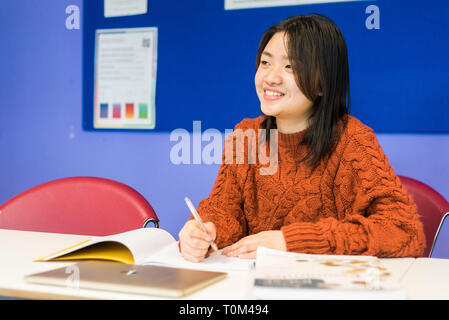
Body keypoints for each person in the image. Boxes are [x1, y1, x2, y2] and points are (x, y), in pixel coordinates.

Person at [178, 14, 426, 262]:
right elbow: (225, 210)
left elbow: (404, 231)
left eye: (291, 67)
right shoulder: (246, 136)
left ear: (322, 84)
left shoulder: (353, 139)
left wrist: (291, 241)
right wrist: (205, 231)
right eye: (265, 63)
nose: (271, 77)